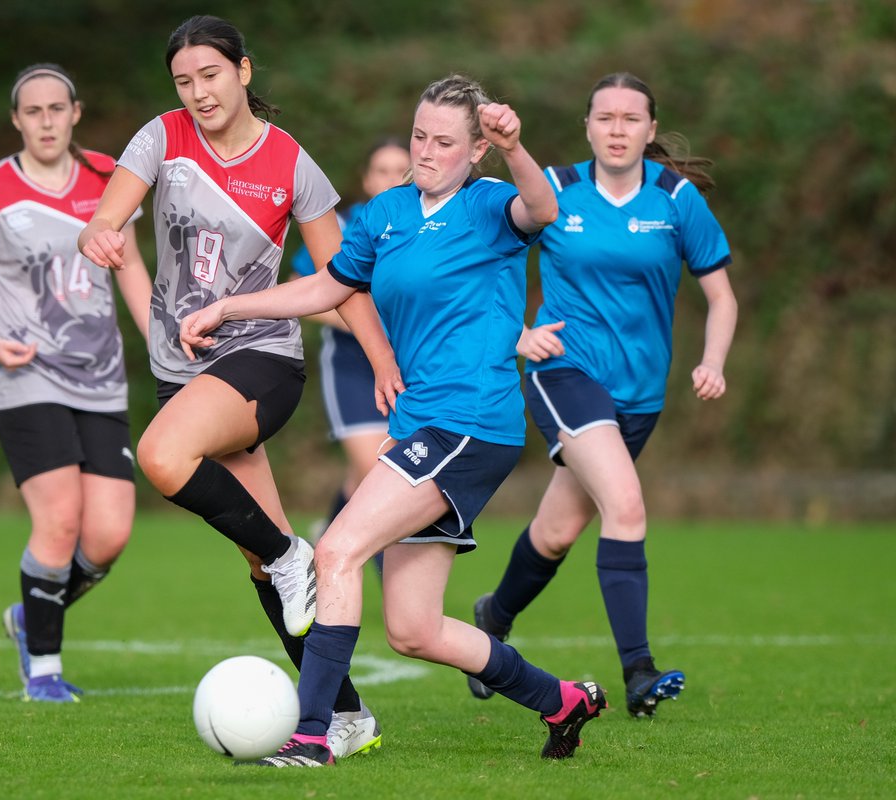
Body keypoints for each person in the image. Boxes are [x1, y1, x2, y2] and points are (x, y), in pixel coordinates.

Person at [181, 74, 608, 767]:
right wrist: (232, 307)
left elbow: (545, 209)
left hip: (470, 421)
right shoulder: (384, 214)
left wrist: (519, 147)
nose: (427, 150)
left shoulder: (492, 204)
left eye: (445, 141)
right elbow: (330, 285)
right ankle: (561, 701)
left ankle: (315, 733)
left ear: (476, 151)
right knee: (413, 628)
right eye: (419, 136)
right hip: (422, 425)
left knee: (337, 551)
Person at [77, 15, 396, 758]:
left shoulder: (292, 165)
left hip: (261, 359)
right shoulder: (160, 138)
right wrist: (99, 232)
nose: (198, 93)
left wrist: (382, 360)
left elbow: (341, 281)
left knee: (161, 459)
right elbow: (109, 214)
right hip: (179, 370)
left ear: (244, 71)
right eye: (184, 82)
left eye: (210, 76)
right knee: (261, 564)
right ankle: (346, 714)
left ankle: (292, 556)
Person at [467, 72, 738, 718]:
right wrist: (520, 333)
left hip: (639, 396)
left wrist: (713, 361)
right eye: (605, 117)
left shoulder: (676, 200)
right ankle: (638, 670)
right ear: (587, 127)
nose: (617, 129)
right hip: (564, 374)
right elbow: (478, 265)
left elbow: (721, 294)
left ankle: (492, 618)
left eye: (630, 118)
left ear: (649, 130)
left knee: (557, 531)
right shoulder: (555, 190)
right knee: (626, 505)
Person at [0, 63, 152, 703]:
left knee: (108, 534)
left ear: (75, 112)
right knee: (59, 521)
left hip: (102, 380)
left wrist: (160, 343)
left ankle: (31, 614)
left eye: (57, 108)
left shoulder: (108, 179)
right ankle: (45, 669)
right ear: (17, 120)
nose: (47, 120)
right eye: (34, 111)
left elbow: (132, 265)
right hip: (25, 377)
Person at [290, 139, 411, 576]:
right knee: (383, 466)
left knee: (371, 474)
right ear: (366, 179)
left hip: (410, 368)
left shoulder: (430, 226)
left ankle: (328, 536)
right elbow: (304, 289)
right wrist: (368, 327)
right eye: (382, 169)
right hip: (351, 369)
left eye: (402, 169)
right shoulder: (342, 226)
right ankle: (391, 577)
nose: (392, 178)